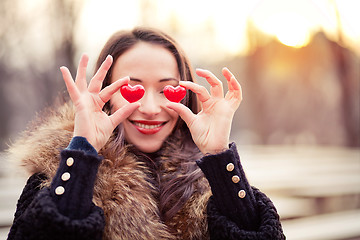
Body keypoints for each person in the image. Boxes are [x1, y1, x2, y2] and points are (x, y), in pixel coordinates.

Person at [7, 27, 285, 240]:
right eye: (132, 89)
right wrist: (82, 153)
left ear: (186, 97)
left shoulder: (213, 180)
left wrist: (219, 158)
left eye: (167, 90)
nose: (151, 108)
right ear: (106, 95)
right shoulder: (54, 179)